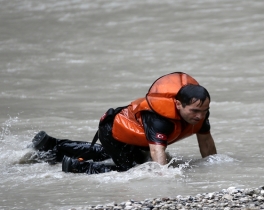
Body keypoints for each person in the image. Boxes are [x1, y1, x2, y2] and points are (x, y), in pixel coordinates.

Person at [29, 72, 217, 174]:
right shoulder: (160, 119)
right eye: (194, 111)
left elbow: (206, 142)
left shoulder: (199, 113)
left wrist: (213, 165)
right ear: (178, 104)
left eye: (204, 111)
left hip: (132, 134)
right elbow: (157, 153)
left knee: (110, 155)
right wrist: (165, 178)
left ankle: (52, 146)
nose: (200, 116)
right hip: (112, 131)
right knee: (131, 170)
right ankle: (76, 166)